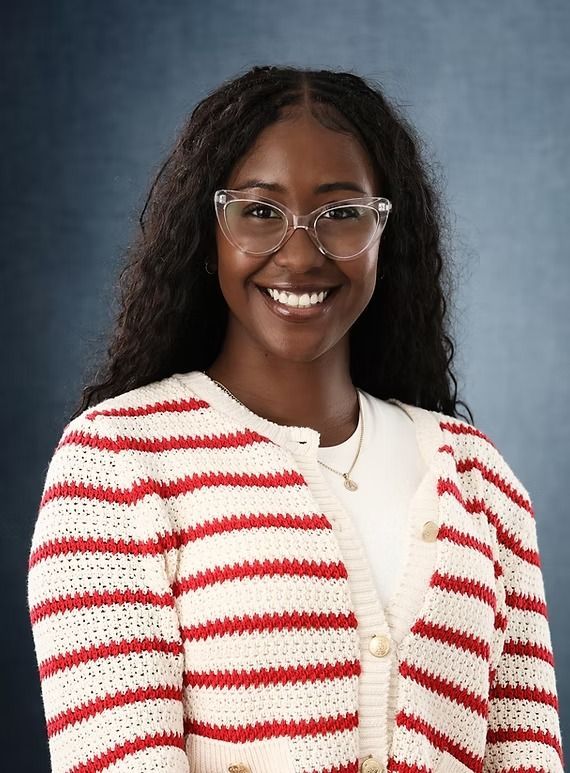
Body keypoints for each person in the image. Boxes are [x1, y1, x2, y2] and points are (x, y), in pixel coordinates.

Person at [27, 65, 563, 773]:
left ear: (385, 231)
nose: (302, 253)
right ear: (207, 227)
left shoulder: (481, 481)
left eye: (342, 213)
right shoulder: (118, 464)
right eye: (259, 210)